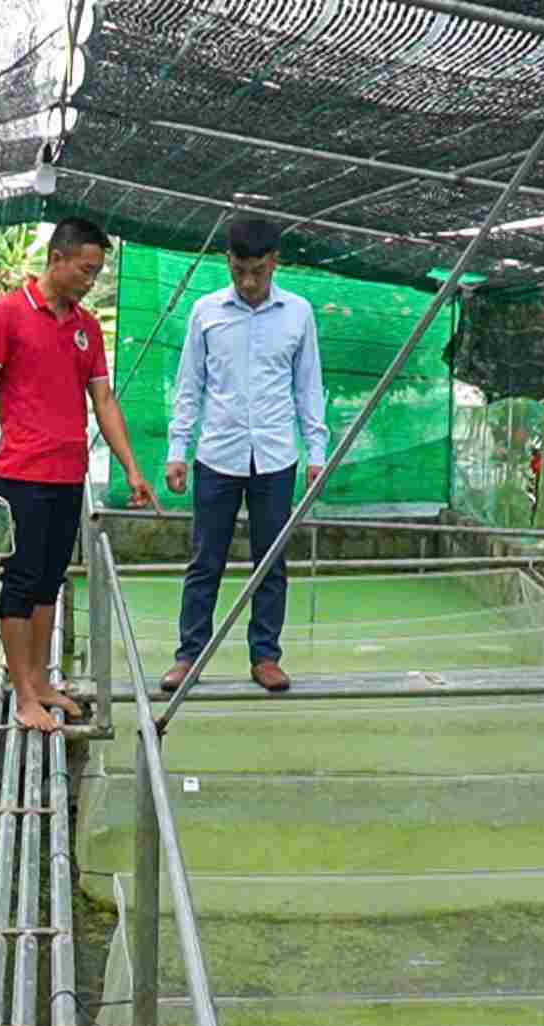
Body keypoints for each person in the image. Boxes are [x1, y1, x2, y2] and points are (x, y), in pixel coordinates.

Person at [0, 217, 156, 733]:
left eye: (98, 271)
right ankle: (23, 696)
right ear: (57, 260)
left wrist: (132, 468)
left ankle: (40, 682)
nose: (91, 279)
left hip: (69, 476)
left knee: (49, 584)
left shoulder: (86, 328)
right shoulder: (9, 313)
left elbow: (103, 400)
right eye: (86, 269)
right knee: (19, 582)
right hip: (20, 475)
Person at [160, 215, 328, 694]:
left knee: (271, 561)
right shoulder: (206, 312)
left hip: (276, 458)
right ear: (227, 263)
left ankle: (266, 656)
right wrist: (177, 450)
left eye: (257, 270)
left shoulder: (298, 313)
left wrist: (317, 451)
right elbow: (190, 386)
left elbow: (309, 388)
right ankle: (189, 655)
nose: (248, 282)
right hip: (217, 455)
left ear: (275, 262)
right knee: (204, 560)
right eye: (238, 271)